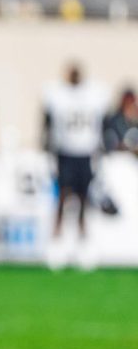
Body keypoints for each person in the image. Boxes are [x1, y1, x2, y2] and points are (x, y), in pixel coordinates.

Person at [42, 62, 110, 264]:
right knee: (62, 197)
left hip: (85, 152)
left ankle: (83, 241)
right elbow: (48, 124)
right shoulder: (56, 94)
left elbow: (102, 124)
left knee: (83, 198)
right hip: (66, 152)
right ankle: (56, 240)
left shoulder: (94, 94)